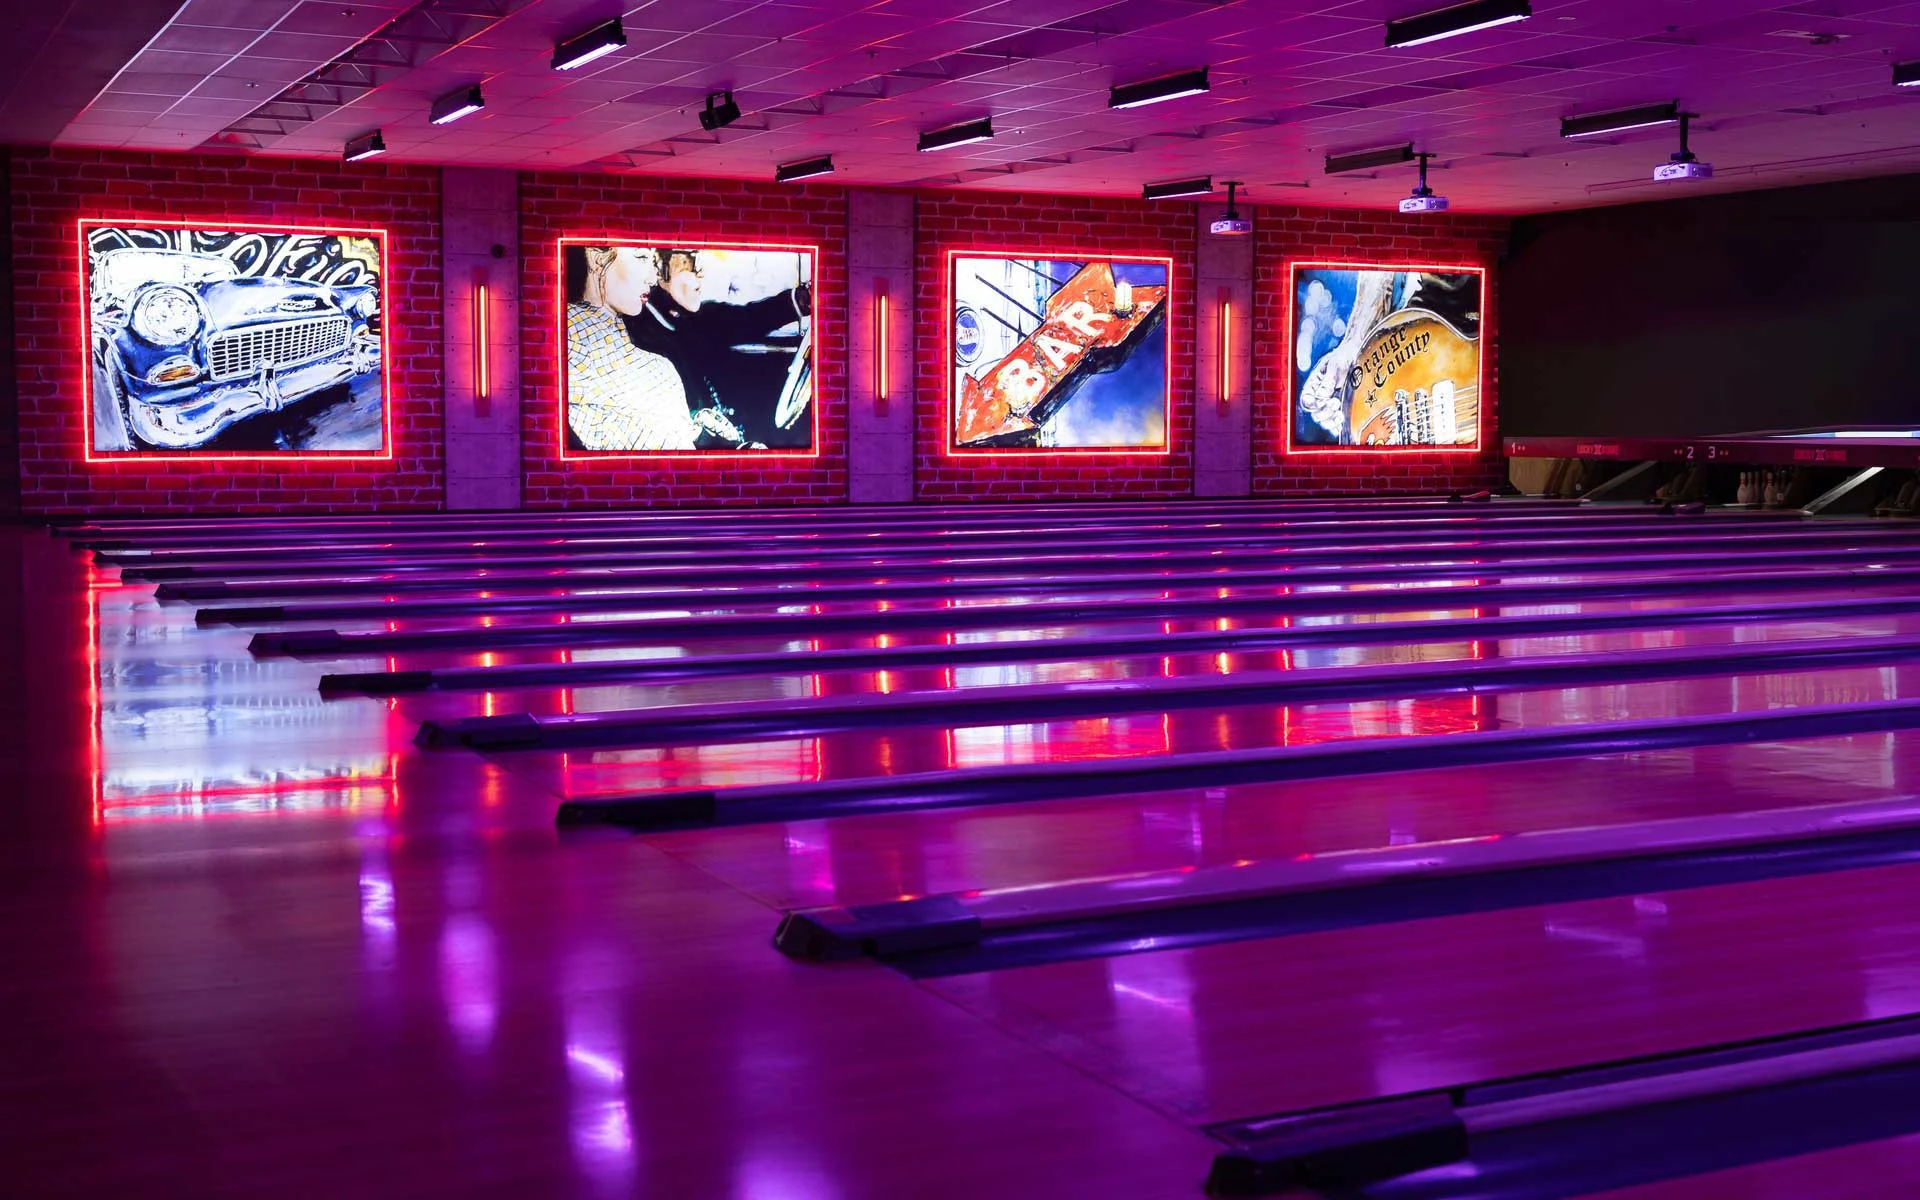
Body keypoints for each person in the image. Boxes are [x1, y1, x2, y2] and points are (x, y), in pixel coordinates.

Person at [623, 249, 812, 447]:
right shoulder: (643, 338)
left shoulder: (696, 318)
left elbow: (750, 318)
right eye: (691, 264)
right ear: (659, 267)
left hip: (734, 430)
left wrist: (800, 300)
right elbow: (686, 423)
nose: (701, 275)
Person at [564, 245, 700, 451]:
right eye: (641, 258)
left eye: (652, 262)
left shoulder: (622, 336)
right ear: (596, 259)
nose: (652, 279)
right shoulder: (573, 335)